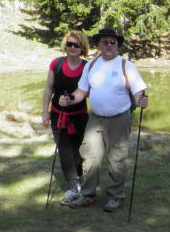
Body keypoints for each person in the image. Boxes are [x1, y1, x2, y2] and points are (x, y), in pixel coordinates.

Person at [58, 27, 148, 212]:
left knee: (117, 159)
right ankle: (88, 194)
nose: (109, 45)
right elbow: (82, 91)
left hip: (119, 119)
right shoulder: (91, 65)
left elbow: (138, 91)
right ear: (98, 45)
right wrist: (70, 99)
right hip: (95, 118)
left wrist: (141, 100)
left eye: (113, 42)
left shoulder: (126, 65)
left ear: (118, 46)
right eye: (105, 42)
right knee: (90, 156)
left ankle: (116, 196)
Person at [42, 30, 90, 205]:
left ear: (82, 46)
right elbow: (48, 88)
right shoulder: (56, 64)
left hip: (79, 116)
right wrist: (45, 112)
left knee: (78, 150)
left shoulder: (87, 67)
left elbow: (89, 91)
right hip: (58, 115)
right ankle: (73, 186)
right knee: (64, 150)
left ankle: (80, 179)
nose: (73, 47)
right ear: (65, 46)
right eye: (69, 44)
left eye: (76, 44)